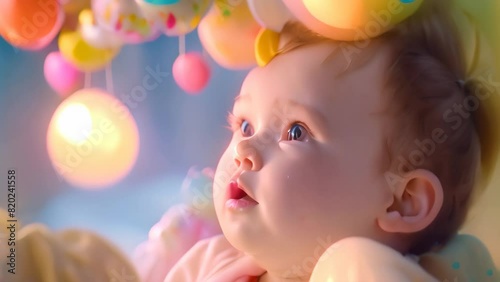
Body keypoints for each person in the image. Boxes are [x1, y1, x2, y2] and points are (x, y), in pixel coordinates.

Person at [164, 1, 499, 281]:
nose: (243, 150)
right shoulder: (207, 263)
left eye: (296, 132)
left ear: (403, 200)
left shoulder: (360, 268)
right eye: (245, 125)